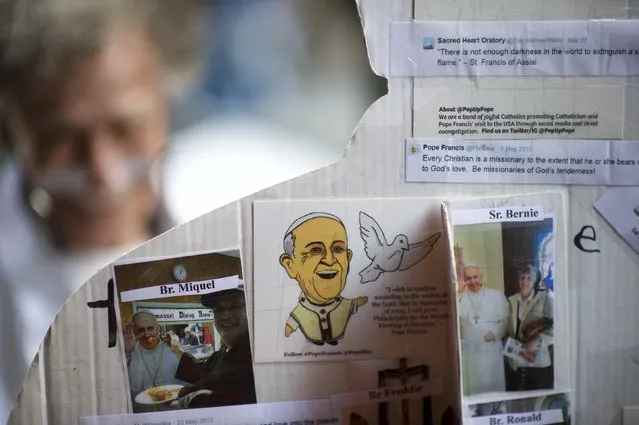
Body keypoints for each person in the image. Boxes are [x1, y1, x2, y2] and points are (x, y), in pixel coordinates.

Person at [0, 1, 204, 421]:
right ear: (11, 124)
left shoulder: (259, 194)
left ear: (169, 98)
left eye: (126, 128)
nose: (103, 173)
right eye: (61, 138)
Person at [278, 212, 368, 346]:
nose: (330, 260)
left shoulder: (347, 307)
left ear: (348, 259)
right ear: (290, 265)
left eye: (338, 249)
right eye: (315, 250)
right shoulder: (300, 312)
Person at [167, 286, 256, 409]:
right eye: (218, 309)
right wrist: (177, 350)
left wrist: (186, 399)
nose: (225, 316)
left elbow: (226, 382)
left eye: (235, 306)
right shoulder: (223, 351)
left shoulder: (255, 355)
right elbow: (204, 373)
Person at [458, 264, 510, 395]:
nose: (472, 281)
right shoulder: (459, 300)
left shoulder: (496, 296)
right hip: (470, 353)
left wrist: (495, 333)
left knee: (492, 388)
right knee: (473, 388)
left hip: (491, 350)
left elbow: (505, 322)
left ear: (481, 277)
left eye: (475, 277)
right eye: (468, 278)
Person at [124, 312, 187, 412]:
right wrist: (126, 353)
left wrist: (183, 402)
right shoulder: (127, 354)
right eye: (140, 330)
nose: (147, 334)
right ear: (134, 332)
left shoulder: (174, 351)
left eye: (150, 328)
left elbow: (189, 386)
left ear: (158, 329)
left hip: (173, 413)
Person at [506, 264, 554, 391]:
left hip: (539, 363)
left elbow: (556, 328)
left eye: (529, 278)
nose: (525, 282)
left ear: (535, 281)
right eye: (522, 278)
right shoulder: (510, 301)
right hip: (516, 363)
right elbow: (507, 330)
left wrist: (537, 340)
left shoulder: (545, 298)